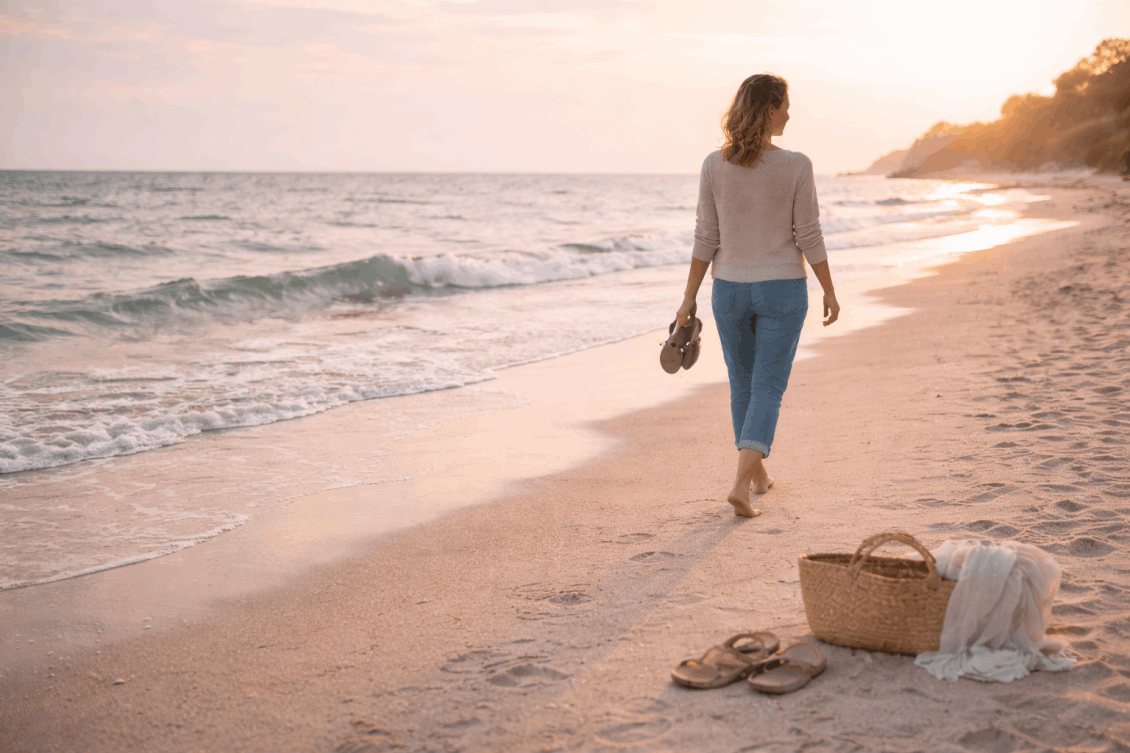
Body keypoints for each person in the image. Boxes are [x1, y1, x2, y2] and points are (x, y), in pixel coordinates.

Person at [674, 73, 839, 518]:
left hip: (728, 290)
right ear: (768, 109)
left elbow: (705, 237)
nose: (789, 113)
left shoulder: (714, 164)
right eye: (784, 105)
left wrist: (689, 297)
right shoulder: (797, 165)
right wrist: (828, 288)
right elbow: (808, 234)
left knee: (743, 384)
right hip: (783, 288)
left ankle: (758, 475)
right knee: (767, 387)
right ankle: (740, 486)